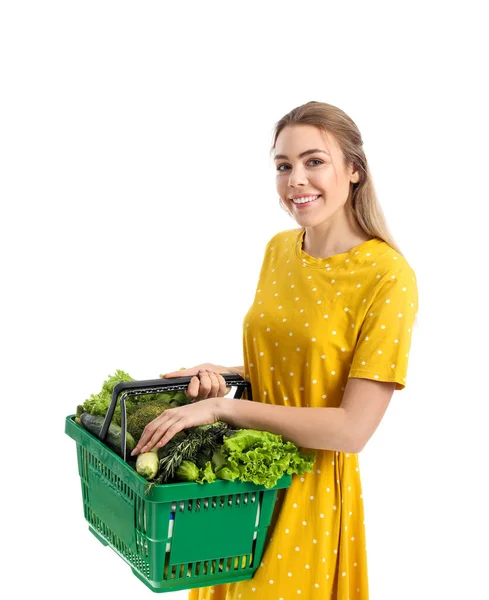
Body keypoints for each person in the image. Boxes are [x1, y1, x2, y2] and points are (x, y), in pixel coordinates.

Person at [131, 101, 419, 599]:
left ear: (353, 170)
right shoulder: (279, 250)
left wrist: (225, 407)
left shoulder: (388, 277)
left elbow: (352, 429)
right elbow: (303, 366)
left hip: (304, 490)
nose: (296, 181)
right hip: (237, 487)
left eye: (314, 162)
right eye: (284, 166)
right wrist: (226, 373)